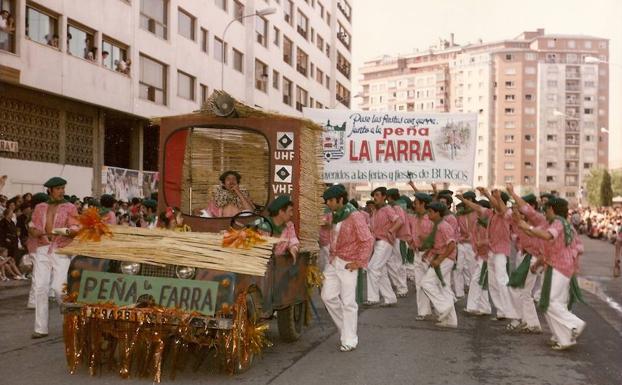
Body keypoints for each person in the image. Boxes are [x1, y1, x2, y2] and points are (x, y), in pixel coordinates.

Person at [516, 197, 586, 350]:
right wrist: (539, 263)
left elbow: (548, 236)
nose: (544, 212)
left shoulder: (559, 223)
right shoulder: (564, 224)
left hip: (559, 268)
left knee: (547, 301)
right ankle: (564, 338)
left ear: (552, 209)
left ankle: (575, 324)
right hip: (561, 267)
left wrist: (528, 228)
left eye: (546, 209)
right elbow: (551, 245)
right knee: (552, 302)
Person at [320, 185, 374, 352]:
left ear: (340, 200)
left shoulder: (355, 216)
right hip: (334, 261)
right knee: (327, 296)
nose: (328, 203)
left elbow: (367, 240)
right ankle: (346, 329)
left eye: (330, 200)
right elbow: (327, 230)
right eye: (327, 201)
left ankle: (349, 339)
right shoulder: (333, 215)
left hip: (349, 264)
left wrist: (359, 262)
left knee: (349, 302)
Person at [29, 177, 79, 339]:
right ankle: (40, 328)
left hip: (61, 249)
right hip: (42, 248)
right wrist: (34, 232)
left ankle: (70, 322)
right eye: (58, 189)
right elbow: (33, 226)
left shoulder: (70, 207)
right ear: (50, 190)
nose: (62, 191)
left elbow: (75, 228)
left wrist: (63, 231)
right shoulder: (40, 207)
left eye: (63, 188)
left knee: (59, 288)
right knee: (40, 288)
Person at [460, 187, 519, 322]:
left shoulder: (506, 213)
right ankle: (501, 311)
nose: (491, 202)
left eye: (494, 200)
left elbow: (503, 209)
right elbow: (477, 208)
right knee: (493, 283)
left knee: (501, 280)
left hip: (500, 251)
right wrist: (464, 200)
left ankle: (508, 310)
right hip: (491, 251)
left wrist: (490, 194)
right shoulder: (491, 213)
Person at [506, 185, 544, 333]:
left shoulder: (537, 221)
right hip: (528, 256)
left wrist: (512, 193)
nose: (519, 210)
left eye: (522, 206)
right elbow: (506, 211)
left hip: (534, 258)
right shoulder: (521, 220)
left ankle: (529, 322)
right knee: (521, 290)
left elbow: (524, 211)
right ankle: (527, 321)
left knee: (523, 291)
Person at [420, 202, 458, 328]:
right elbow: (437, 244)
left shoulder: (444, 226)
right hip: (441, 257)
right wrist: (428, 254)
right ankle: (451, 320)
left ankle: (443, 307)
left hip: (446, 259)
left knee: (426, 283)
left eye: (430, 211)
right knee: (444, 287)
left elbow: (451, 245)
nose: (428, 213)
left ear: (437, 213)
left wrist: (439, 260)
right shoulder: (436, 225)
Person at [365, 187, 402, 307]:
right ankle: (390, 298)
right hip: (377, 242)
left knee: (372, 268)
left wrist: (391, 231)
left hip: (384, 242)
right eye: (374, 195)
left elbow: (399, 221)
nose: (374, 197)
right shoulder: (376, 211)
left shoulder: (387, 209)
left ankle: (373, 298)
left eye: (377, 195)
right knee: (381, 271)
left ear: (384, 196)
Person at [407, 192, 434, 320]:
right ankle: (423, 312)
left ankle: (444, 309)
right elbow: (412, 235)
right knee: (419, 284)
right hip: (418, 254)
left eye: (416, 203)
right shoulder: (415, 218)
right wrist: (412, 243)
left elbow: (436, 238)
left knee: (434, 284)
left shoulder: (431, 218)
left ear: (423, 204)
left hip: (430, 255)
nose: (414, 205)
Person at [256, 195, 299, 263]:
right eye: (290, 211)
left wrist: (294, 249)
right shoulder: (263, 224)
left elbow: (293, 240)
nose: (291, 214)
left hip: (277, 265)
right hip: (260, 264)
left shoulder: (289, 225)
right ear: (281, 212)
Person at [385, 188, 410, 298]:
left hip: (400, 238)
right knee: (390, 262)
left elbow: (401, 221)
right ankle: (397, 284)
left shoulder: (397, 207)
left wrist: (391, 231)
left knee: (400, 264)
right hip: (394, 238)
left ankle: (402, 288)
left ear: (390, 197)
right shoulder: (395, 206)